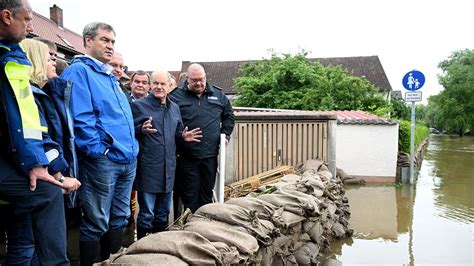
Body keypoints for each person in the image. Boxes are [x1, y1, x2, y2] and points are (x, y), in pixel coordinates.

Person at [61, 22, 139, 265]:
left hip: (127, 158)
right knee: (96, 220)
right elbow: (81, 119)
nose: (110, 46)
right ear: (87, 41)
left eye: (113, 41)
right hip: (103, 161)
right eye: (105, 40)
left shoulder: (109, 76)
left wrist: (133, 148)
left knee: (120, 216)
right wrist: (100, 152)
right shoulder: (79, 72)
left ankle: (111, 261)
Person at [0, 0, 70, 264]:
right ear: (7, 16)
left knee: (23, 239)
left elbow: (29, 126)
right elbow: (28, 125)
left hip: (17, 159)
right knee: (46, 195)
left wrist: (40, 164)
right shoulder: (14, 64)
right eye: (27, 19)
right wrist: (47, 169)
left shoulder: (11, 58)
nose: (31, 26)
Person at [5, 37, 82, 265]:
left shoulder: (42, 93)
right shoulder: (30, 96)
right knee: (25, 244)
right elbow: (40, 140)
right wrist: (59, 176)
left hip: (30, 175)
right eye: (49, 58)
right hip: (31, 178)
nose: (54, 63)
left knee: (26, 243)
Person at [131, 71, 201, 239]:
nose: (159, 87)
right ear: (150, 85)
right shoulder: (139, 106)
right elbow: (126, 132)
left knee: (163, 213)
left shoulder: (174, 108)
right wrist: (140, 130)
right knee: (147, 214)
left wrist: (183, 137)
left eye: (163, 84)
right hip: (148, 168)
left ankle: (161, 249)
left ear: (170, 87)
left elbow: (177, 132)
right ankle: (142, 249)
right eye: (155, 83)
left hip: (168, 170)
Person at [169, 63, 235, 213]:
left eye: (201, 79)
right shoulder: (175, 96)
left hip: (210, 156)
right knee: (190, 196)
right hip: (186, 157)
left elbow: (229, 116)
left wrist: (226, 135)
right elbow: (168, 123)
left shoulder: (218, 94)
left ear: (206, 77)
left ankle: (206, 225)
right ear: (187, 79)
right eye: (194, 80)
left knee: (206, 195)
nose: (198, 83)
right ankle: (191, 227)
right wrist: (180, 135)